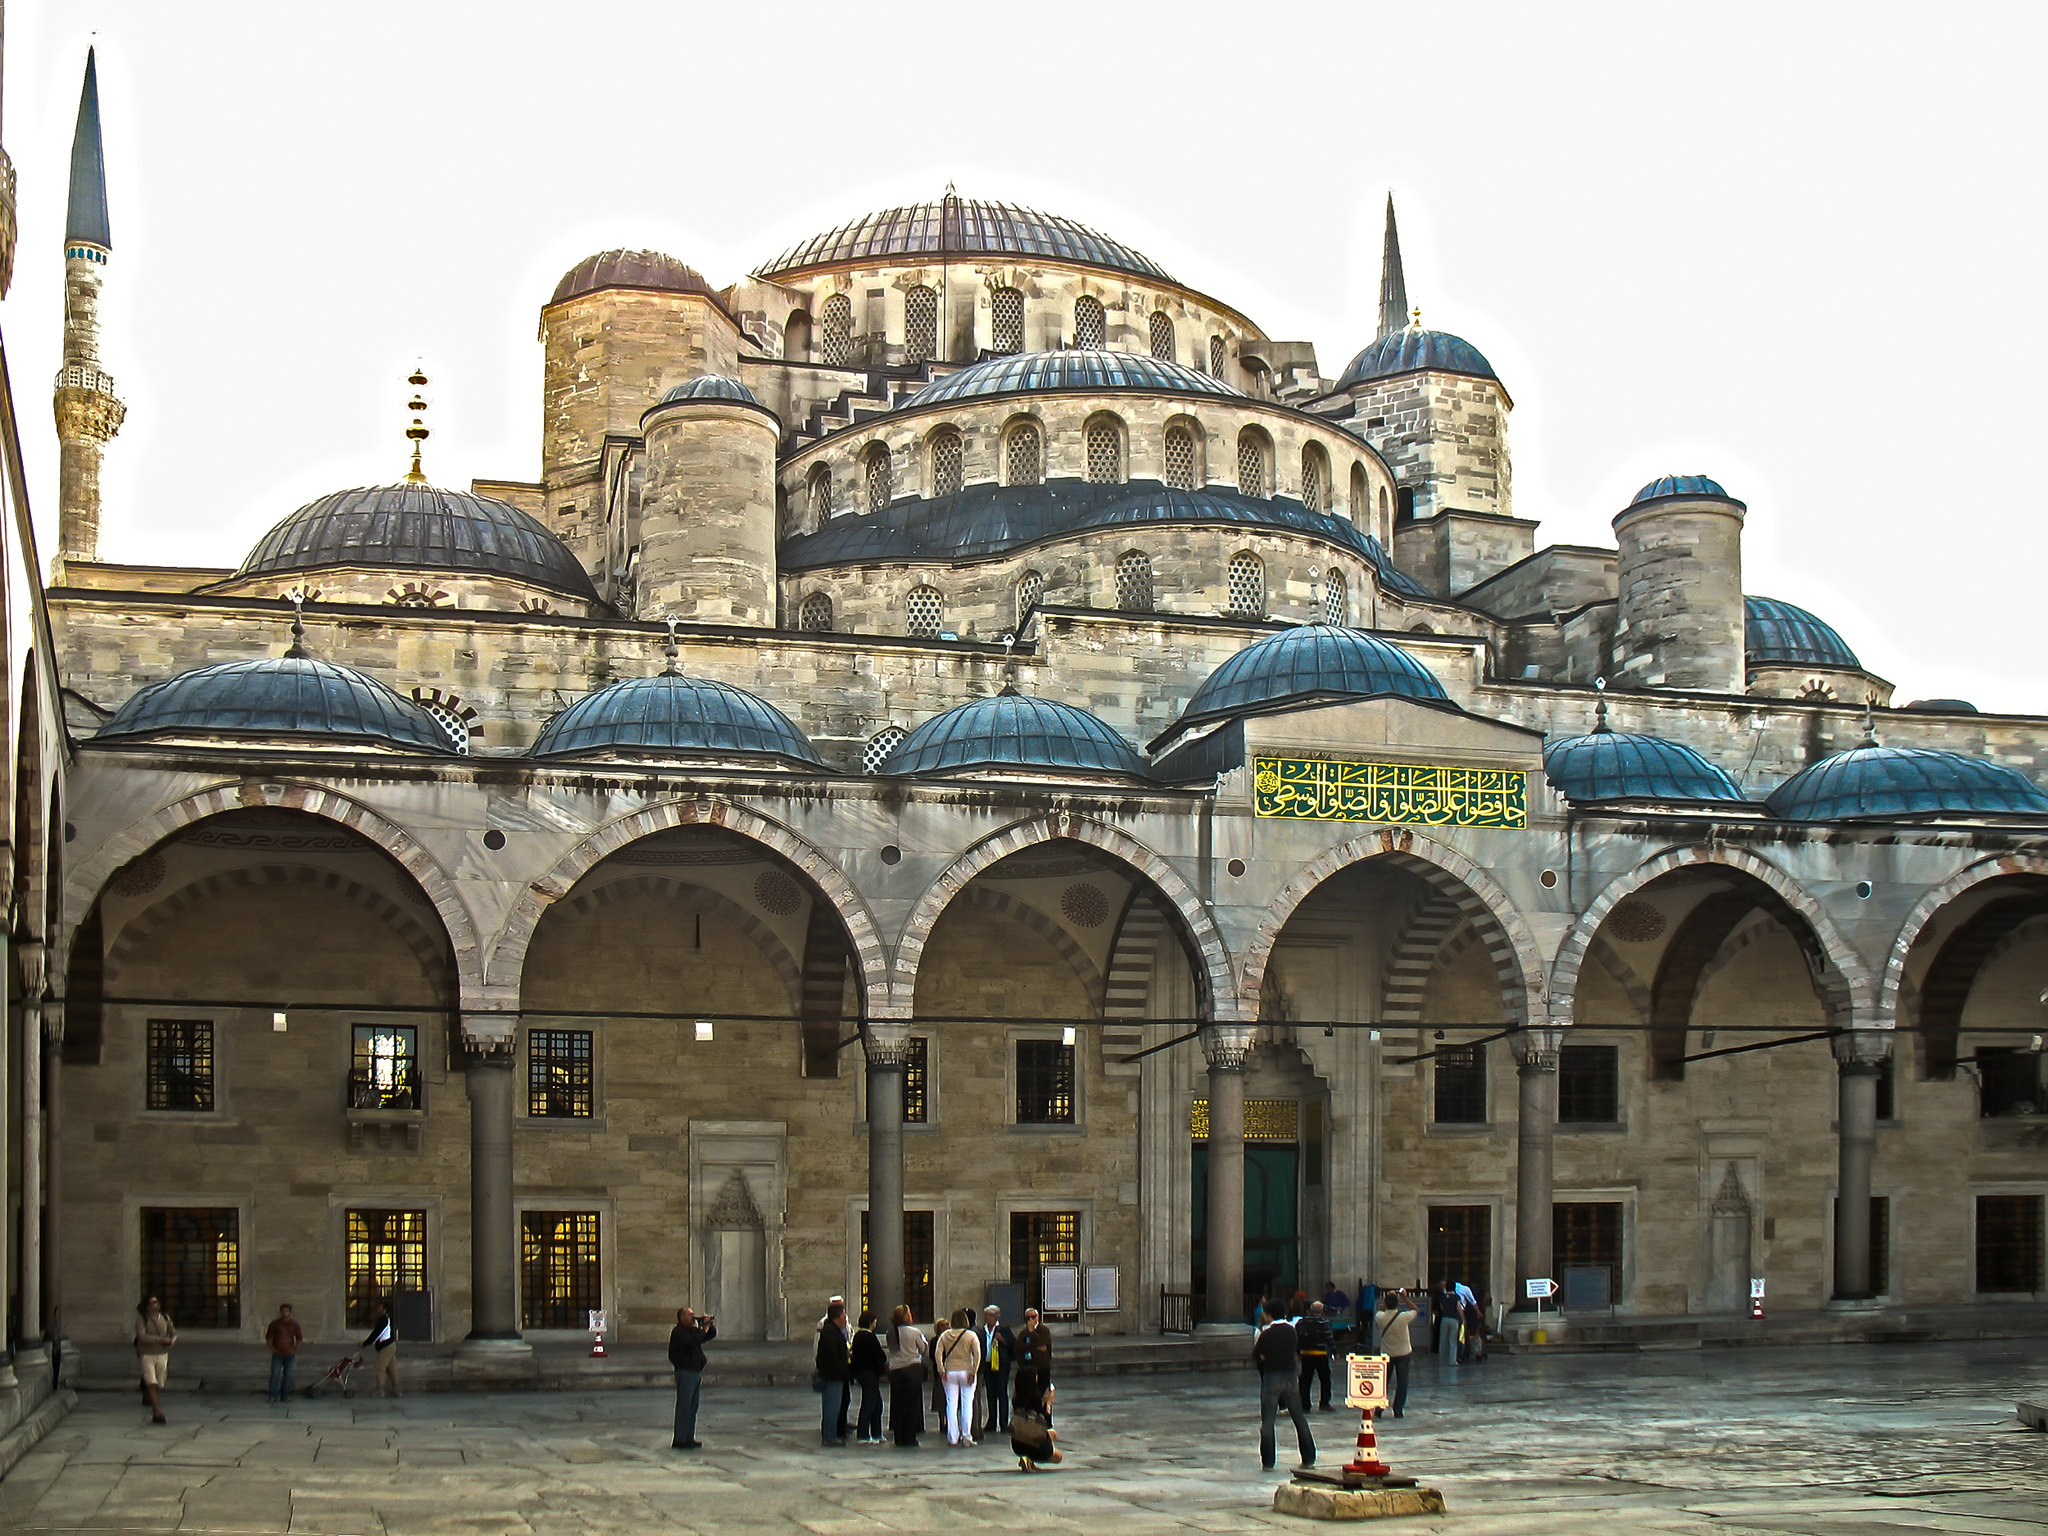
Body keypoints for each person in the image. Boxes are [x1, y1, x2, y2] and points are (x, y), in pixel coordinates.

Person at [1253, 1310, 1314, 1470]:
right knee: (1299, 1417)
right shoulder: (1291, 1331)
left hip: (1272, 1376)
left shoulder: (1267, 1333)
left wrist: (1265, 1358)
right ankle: (1308, 1457)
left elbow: (1256, 1353)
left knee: (1268, 1421)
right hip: (1290, 1377)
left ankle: (1268, 1461)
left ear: (1269, 1315)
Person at [668, 1306, 716, 1449]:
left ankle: (689, 1437)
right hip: (685, 1371)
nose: (693, 1317)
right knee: (684, 1406)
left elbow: (709, 1335)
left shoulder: (692, 1331)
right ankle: (680, 1439)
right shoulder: (678, 1332)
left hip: (695, 1371)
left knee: (693, 1407)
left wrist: (708, 1325)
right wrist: (703, 1329)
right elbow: (692, 1341)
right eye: (690, 1315)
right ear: (682, 1317)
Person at [935, 1307, 983, 1446]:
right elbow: (977, 1354)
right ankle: (966, 1436)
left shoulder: (945, 1335)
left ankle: (952, 1437)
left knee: (951, 1404)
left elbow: (938, 1353)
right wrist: (974, 1371)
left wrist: (941, 1369)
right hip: (966, 1370)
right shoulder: (970, 1335)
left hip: (950, 1371)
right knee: (967, 1404)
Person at [885, 1304, 928, 1447]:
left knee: (898, 1404)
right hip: (912, 1368)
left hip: (896, 1370)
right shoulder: (915, 1332)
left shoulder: (890, 1332)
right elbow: (922, 1348)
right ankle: (909, 1437)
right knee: (911, 1404)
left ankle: (899, 1436)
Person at [1373, 1289, 1417, 1419]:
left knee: (1383, 1382)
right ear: (1397, 1304)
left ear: (1385, 1304)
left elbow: (1381, 1309)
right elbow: (1416, 1310)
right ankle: (1398, 1409)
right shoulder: (1403, 1317)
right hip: (1403, 1352)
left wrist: (1389, 1297)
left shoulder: (1380, 1317)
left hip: (1387, 1353)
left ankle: (1379, 1408)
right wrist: (1405, 1298)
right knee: (1402, 1382)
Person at [134, 1296, 176, 1425]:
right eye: (153, 1302)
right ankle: (156, 1410)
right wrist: (160, 1340)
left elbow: (173, 1332)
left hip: (162, 1354)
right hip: (147, 1354)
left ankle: (155, 1406)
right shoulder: (142, 1319)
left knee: (158, 1384)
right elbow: (142, 1336)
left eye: (157, 1302)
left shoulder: (164, 1317)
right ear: (147, 1306)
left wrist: (171, 1342)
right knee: (151, 1382)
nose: (156, 1304)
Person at [815, 1298, 852, 1446]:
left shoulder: (832, 1330)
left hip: (834, 1374)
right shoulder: (830, 1332)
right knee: (832, 1407)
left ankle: (831, 1434)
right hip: (833, 1375)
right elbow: (832, 1354)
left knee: (832, 1405)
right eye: (843, 1315)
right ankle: (829, 1436)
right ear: (839, 1316)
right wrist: (842, 1370)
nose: (845, 1318)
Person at [977, 1304, 1015, 1439]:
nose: (988, 1318)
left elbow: (1013, 1344)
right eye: (987, 1315)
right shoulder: (983, 1330)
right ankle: (991, 1422)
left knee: (1002, 1392)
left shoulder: (1004, 1329)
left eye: (991, 1315)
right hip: (987, 1364)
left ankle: (1003, 1423)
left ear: (996, 1317)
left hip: (1001, 1364)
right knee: (990, 1393)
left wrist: (1002, 1340)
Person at [850, 1311, 888, 1444]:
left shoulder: (857, 1336)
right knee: (869, 1403)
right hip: (869, 1373)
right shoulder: (869, 1336)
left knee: (877, 1403)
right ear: (871, 1322)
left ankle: (877, 1434)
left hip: (861, 1372)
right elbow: (880, 1355)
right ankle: (863, 1434)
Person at [1011, 1378, 1065, 1471]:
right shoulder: (1037, 1399)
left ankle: (1025, 1458)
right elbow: (1045, 1424)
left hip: (1017, 1443)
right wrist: (1048, 1404)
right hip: (1035, 1442)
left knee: (1053, 1434)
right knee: (1059, 1457)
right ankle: (1029, 1458)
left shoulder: (1016, 1398)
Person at [1295, 1301, 1335, 1411]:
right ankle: (1324, 1403)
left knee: (1305, 1380)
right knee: (1325, 1379)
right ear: (1321, 1311)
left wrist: (1298, 1352)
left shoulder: (1301, 1322)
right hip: (1320, 1354)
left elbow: (1297, 1339)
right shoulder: (1323, 1322)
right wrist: (1334, 1351)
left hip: (1306, 1354)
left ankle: (1305, 1404)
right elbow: (1328, 1338)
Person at [1013, 1306, 1052, 1414]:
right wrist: (1034, 1347)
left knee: (1043, 1394)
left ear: (1038, 1318)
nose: (1030, 1320)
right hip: (1027, 1367)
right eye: (1028, 1318)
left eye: (1033, 1317)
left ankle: (1046, 1420)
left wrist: (1031, 1333)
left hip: (1041, 1366)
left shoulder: (1043, 1330)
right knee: (1027, 1394)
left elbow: (1042, 1343)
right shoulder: (1022, 1333)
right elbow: (1018, 1348)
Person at [265, 1303, 304, 1403]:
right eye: (283, 1311)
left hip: (289, 1353)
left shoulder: (294, 1324)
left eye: (287, 1311)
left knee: (287, 1375)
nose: (284, 1313)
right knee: (275, 1374)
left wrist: (295, 1349)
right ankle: (272, 1395)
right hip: (278, 1352)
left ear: (290, 1312)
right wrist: (273, 1349)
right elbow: (269, 1338)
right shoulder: (275, 1324)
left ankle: (285, 1395)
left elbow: (299, 1338)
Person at [361, 1300, 400, 1398]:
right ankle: (397, 1390)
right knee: (392, 1369)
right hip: (391, 1346)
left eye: (379, 1307)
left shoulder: (384, 1320)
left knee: (380, 1367)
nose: (377, 1309)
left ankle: (380, 1390)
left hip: (386, 1347)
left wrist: (365, 1343)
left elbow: (376, 1334)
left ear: (384, 1309)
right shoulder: (388, 1319)